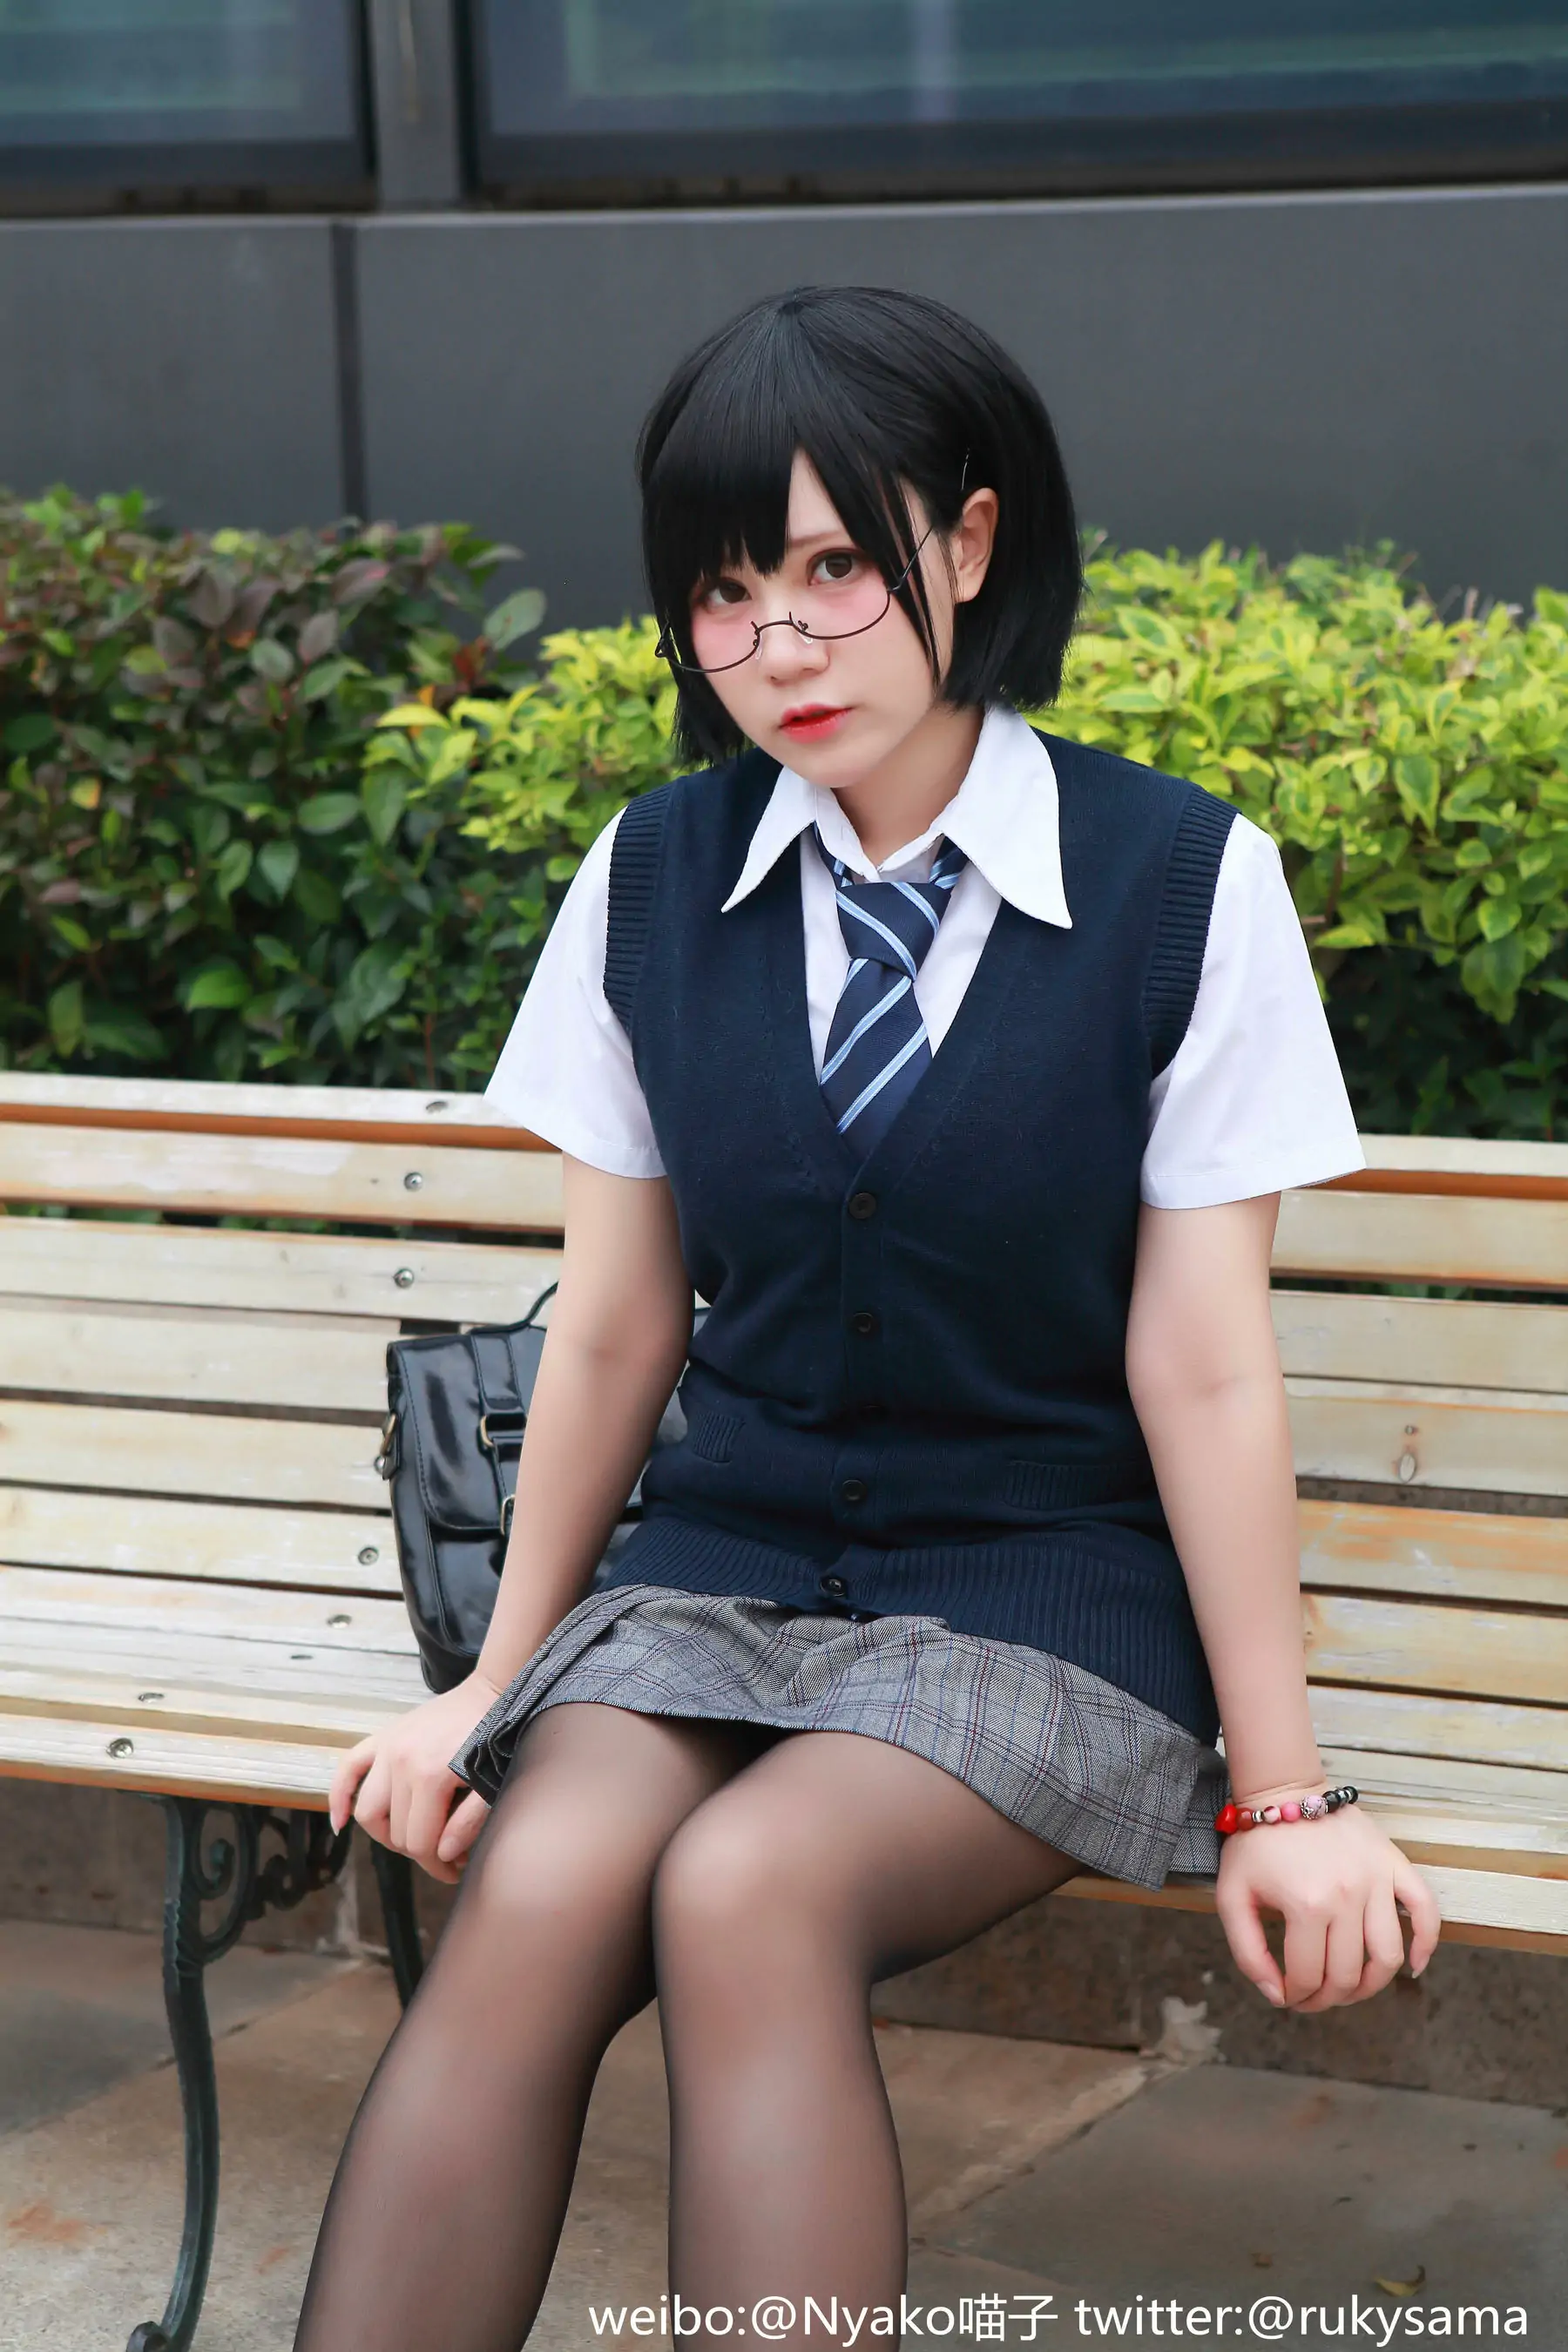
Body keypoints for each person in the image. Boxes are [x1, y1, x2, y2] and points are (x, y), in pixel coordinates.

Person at [294, 285, 1442, 2351]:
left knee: (751, 1888)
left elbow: (1199, 1365)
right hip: (720, 1568)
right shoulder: (655, 878)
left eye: (836, 569)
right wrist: (499, 1683)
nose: (780, 646)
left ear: (972, 544)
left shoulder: (1182, 886)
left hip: (1042, 1593)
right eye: (724, 594)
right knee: (540, 1880)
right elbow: (619, 1327)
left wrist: (1283, 1794)